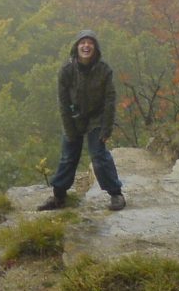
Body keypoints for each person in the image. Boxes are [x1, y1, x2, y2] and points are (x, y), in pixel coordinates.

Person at [38, 29, 126, 211]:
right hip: (74, 117)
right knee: (68, 156)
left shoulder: (104, 70)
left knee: (99, 155)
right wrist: (69, 130)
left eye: (90, 43)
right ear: (76, 47)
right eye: (82, 43)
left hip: (97, 117)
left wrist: (106, 129)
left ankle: (116, 194)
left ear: (95, 48)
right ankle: (59, 197)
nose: (86, 46)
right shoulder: (67, 71)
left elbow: (110, 100)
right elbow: (63, 103)